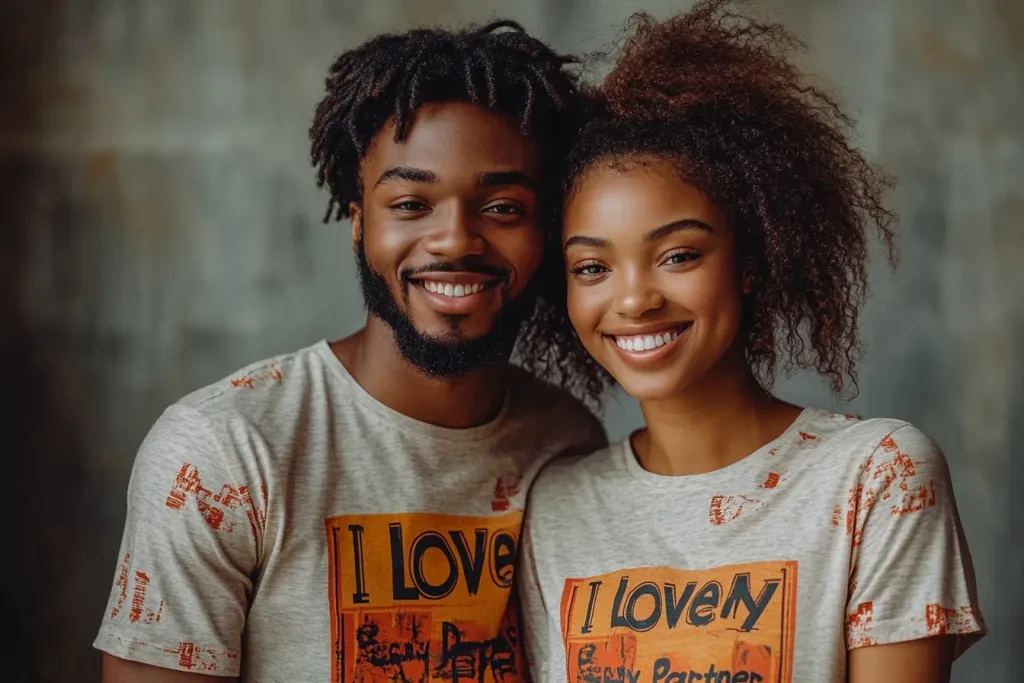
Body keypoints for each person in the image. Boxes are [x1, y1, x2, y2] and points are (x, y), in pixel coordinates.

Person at [95, 21, 606, 683]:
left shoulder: (565, 441)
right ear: (359, 218)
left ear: (548, 229)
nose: (455, 239)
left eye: (503, 206)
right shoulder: (222, 451)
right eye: (412, 202)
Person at [519, 3, 986, 682]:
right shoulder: (556, 506)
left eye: (678, 255)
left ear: (751, 261)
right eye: (592, 267)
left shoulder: (875, 477)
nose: (632, 299)